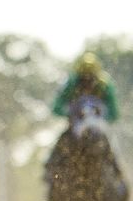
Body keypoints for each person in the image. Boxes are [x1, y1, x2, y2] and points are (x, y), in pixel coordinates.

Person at [45, 52, 122, 182]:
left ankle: (119, 180)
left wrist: (102, 117)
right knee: (59, 148)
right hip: (74, 129)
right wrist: (69, 113)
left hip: (97, 129)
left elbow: (114, 113)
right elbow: (56, 107)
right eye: (84, 77)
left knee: (110, 153)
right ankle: (50, 172)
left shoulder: (104, 84)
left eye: (90, 77)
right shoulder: (71, 83)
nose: (87, 80)